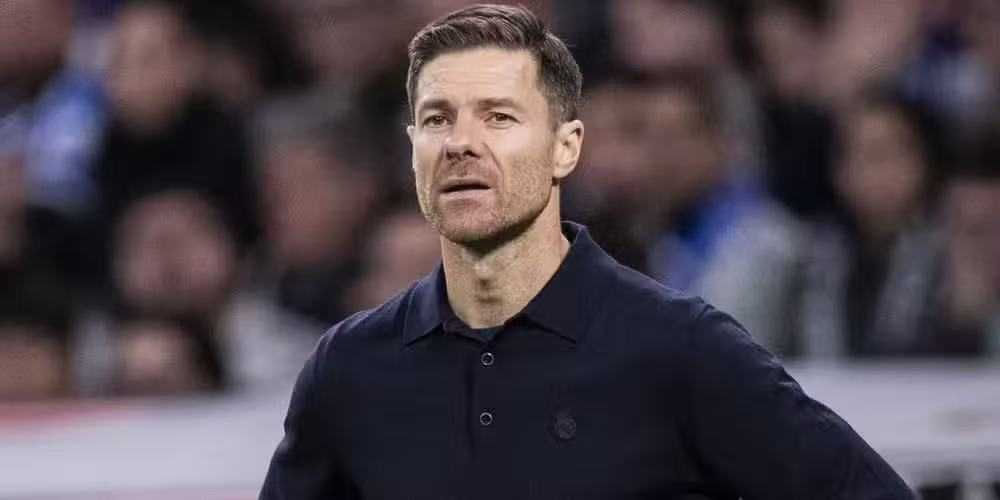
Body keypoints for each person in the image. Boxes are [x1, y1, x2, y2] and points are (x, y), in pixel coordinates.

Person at [260, 4, 914, 499]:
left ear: (565, 148)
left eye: (499, 117)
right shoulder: (350, 368)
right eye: (437, 119)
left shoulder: (680, 348)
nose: (460, 144)